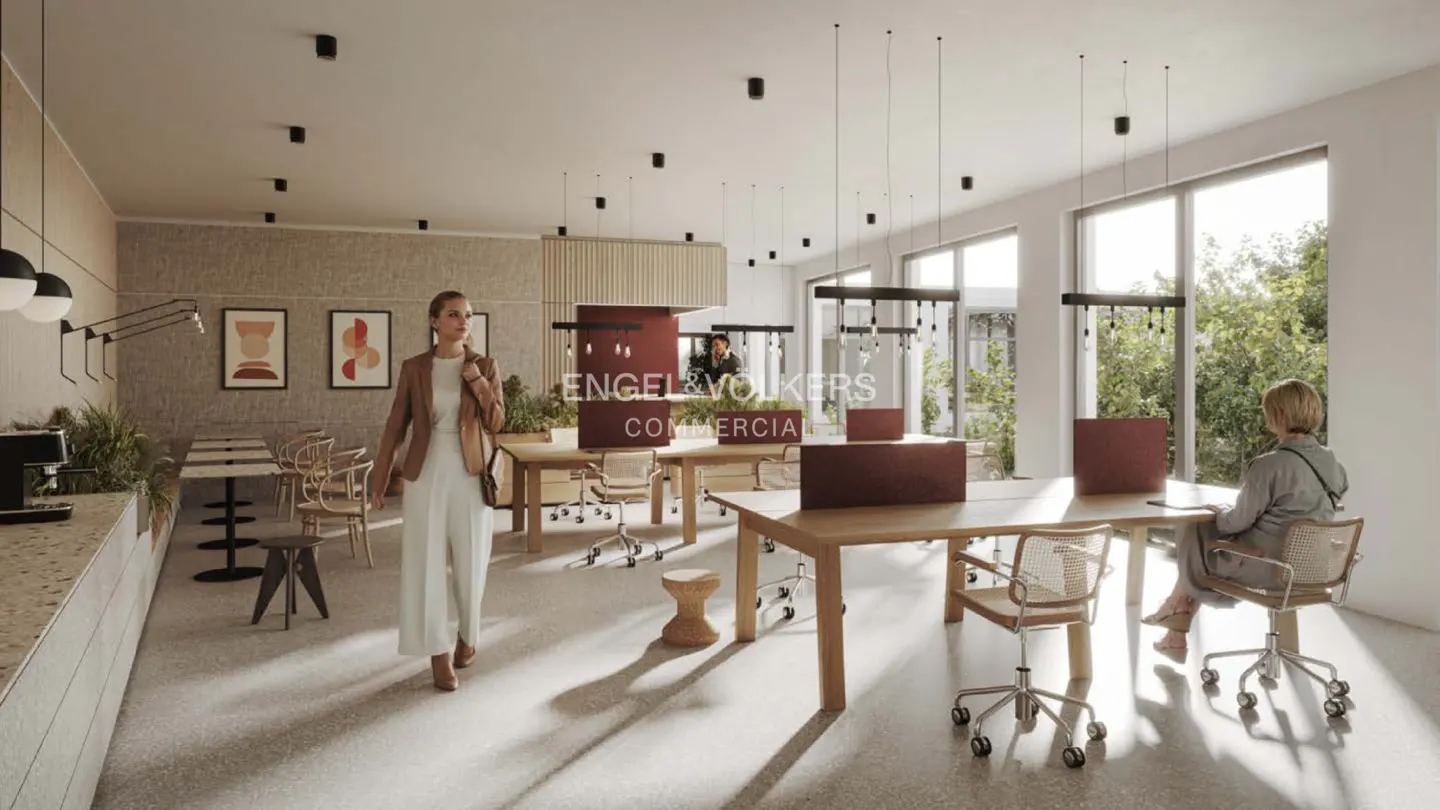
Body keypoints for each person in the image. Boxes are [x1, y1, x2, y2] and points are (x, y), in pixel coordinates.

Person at [1143, 379, 1347, 654]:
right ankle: (1174, 632)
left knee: (1194, 529)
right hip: (1314, 567)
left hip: (1270, 568)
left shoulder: (1269, 465)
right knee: (1203, 539)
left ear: (1279, 416)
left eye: (1268, 411)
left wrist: (1221, 513)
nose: (1266, 417)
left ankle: (1174, 611)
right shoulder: (1334, 464)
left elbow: (1235, 522)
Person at [371, 291, 505, 691]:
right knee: (424, 563)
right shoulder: (414, 368)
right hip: (425, 473)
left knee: (471, 562)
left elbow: (497, 421)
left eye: (467, 315)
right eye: (453, 314)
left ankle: (468, 634)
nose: (463, 321)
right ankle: (437, 652)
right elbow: (396, 425)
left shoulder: (484, 365)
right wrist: (380, 477)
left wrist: (477, 381)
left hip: (471, 473)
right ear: (434, 321)